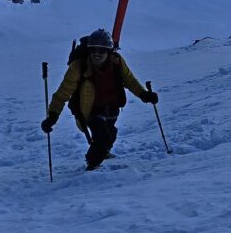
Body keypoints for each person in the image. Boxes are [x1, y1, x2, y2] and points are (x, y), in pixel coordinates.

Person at [41, 28, 158, 170]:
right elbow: (62, 94)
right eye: (93, 50)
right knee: (103, 138)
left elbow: (130, 81)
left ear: (109, 51)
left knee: (110, 134)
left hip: (112, 107)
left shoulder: (117, 62)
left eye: (101, 50)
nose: (97, 54)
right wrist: (52, 116)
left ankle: (103, 153)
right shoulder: (79, 66)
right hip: (90, 109)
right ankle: (92, 165)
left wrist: (144, 95)